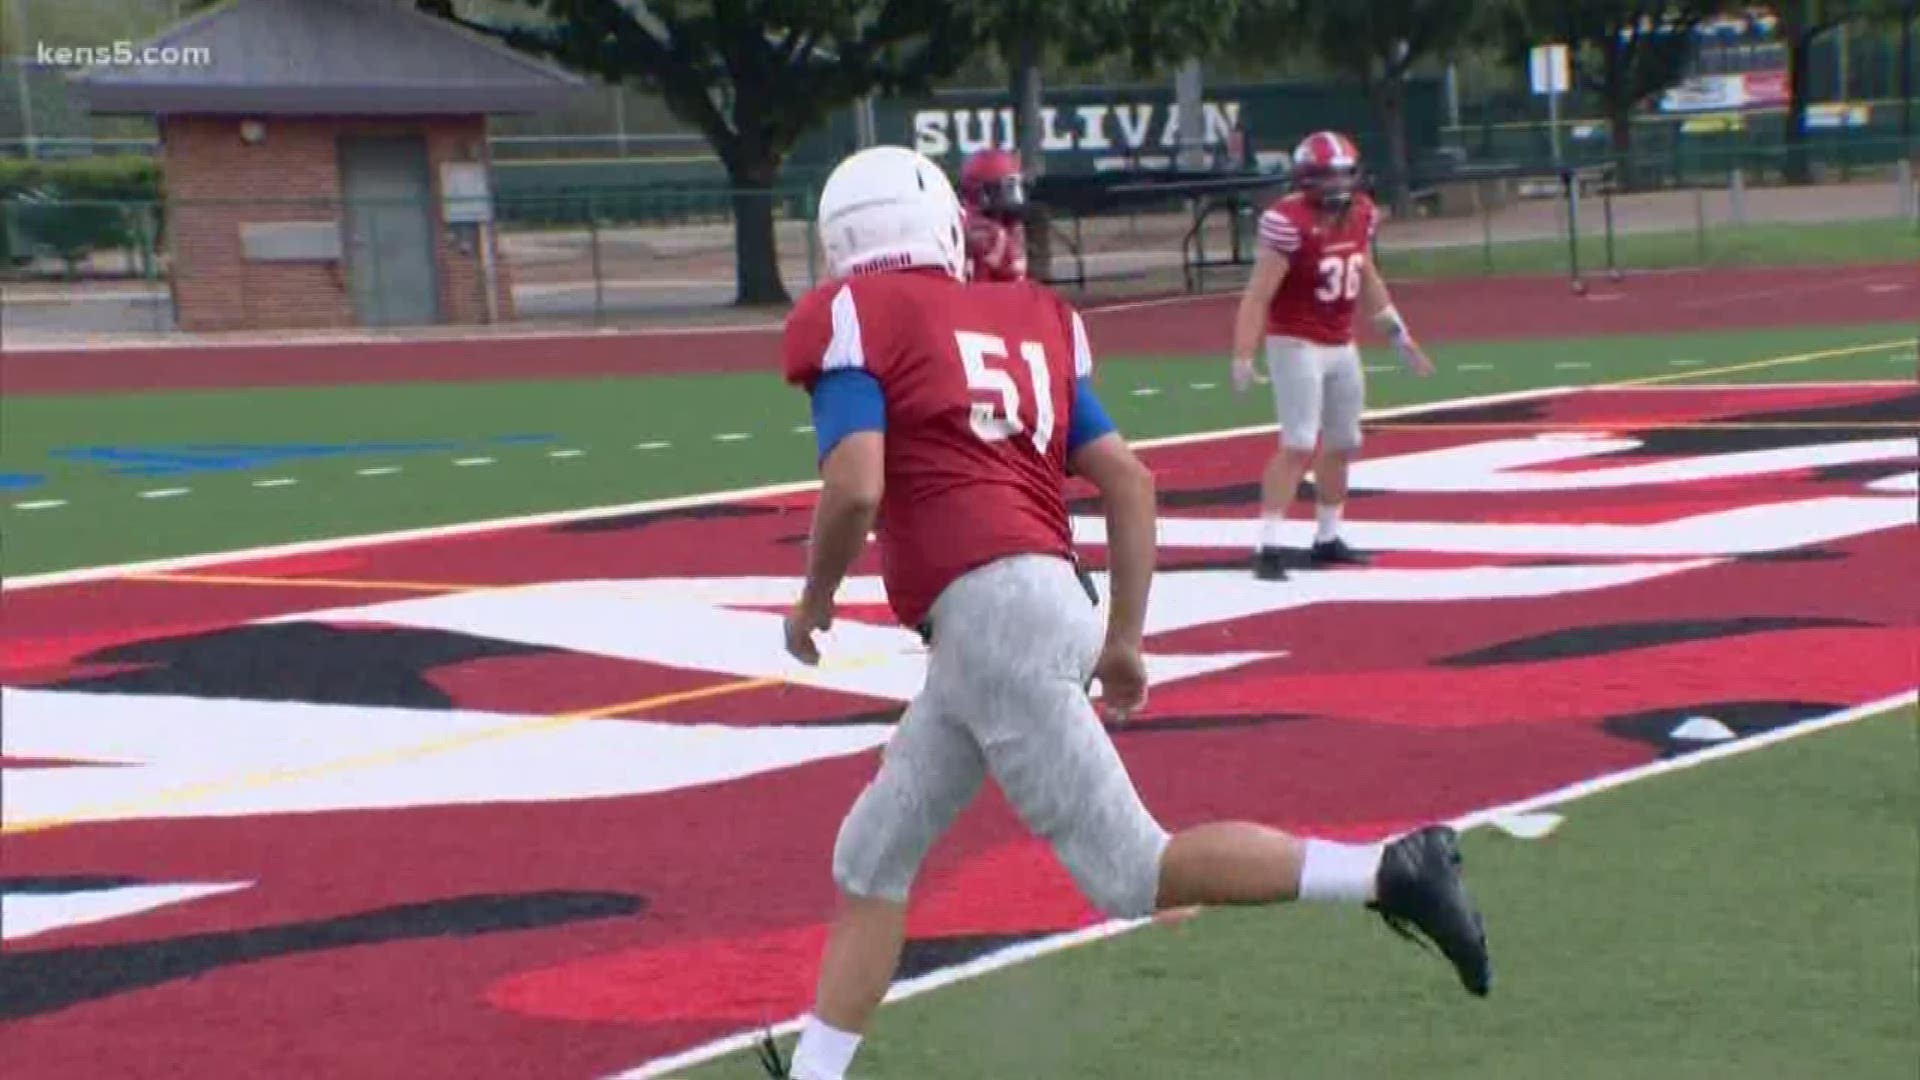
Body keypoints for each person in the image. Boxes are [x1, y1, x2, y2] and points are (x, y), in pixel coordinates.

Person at [765, 145, 1488, 1080]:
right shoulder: (1031, 317)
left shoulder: (856, 316)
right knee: (869, 855)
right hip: (1037, 604)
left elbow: (857, 487)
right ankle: (818, 1075)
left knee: (1131, 871)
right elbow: (1131, 483)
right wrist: (1122, 641)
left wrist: (812, 602)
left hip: (990, 621)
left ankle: (1390, 869)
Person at [1230, 131, 1436, 582]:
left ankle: (1328, 536)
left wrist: (1400, 338)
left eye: (1344, 173)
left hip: (1341, 341)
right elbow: (1258, 294)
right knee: (1300, 443)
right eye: (1327, 174)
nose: (1338, 182)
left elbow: (1368, 279)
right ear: (1307, 177)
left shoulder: (1361, 213)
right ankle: (1268, 545)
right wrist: (1243, 354)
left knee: (1344, 443)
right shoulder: (1289, 221)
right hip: (1296, 342)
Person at [958, 147, 1028, 282]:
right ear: (978, 192)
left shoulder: (1006, 225)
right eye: (1005, 189)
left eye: (1013, 187)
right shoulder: (988, 231)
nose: (1011, 197)